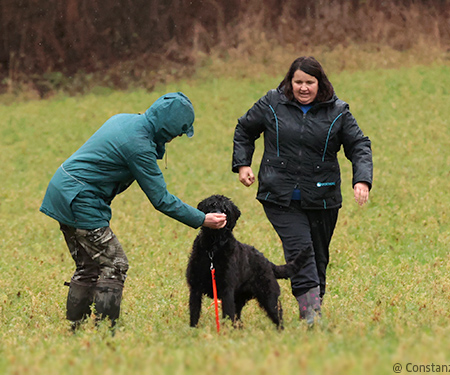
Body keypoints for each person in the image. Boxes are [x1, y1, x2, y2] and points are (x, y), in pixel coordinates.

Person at [40, 92, 227, 330]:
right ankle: (106, 331)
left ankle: (76, 327)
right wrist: (202, 219)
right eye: (177, 133)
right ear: (167, 129)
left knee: (88, 266)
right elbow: (161, 199)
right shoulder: (138, 147)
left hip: (62, 192)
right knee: (116, 263)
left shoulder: (125, 120)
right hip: (81, 201)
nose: (174, 139)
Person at [232, 57, 372, 325]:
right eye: (298, 82)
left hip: (323, 197)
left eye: (310, 82)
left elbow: (359, 145)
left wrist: (362, 180)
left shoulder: (338, 111)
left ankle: (311, 307)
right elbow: (244, 129)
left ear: (321, 84)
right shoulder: (272, 103)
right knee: (301, 250)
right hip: (279, 195)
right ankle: (311, 315)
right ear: (290, 81)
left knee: (318, 256)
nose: (304, 88)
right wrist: (243, 164)